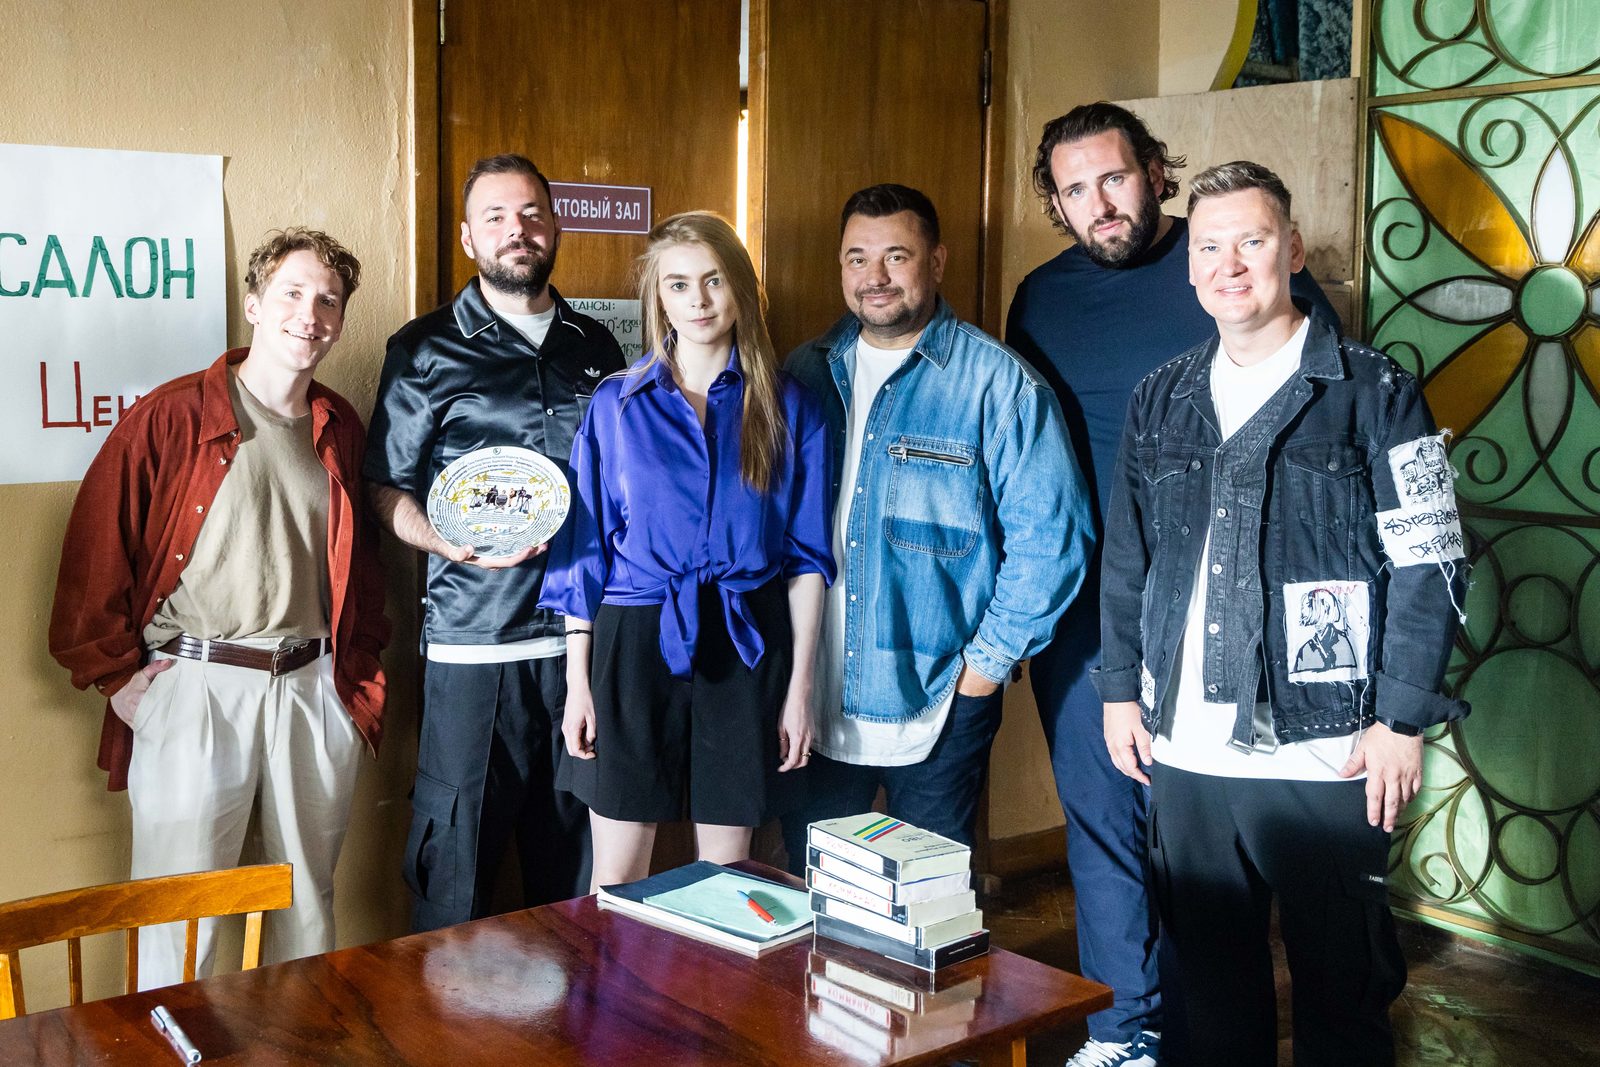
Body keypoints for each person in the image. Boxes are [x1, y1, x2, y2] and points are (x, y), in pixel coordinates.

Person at [1097, 161, 1470, 1066]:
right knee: (1209, 1000)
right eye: (1209, 247)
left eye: (1252, 241)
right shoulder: (1159, 396)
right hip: (1187, 747)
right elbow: (1128, 557)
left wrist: (1402, 718)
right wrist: (1117, 691)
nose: (1229, 265)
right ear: (1190, 266)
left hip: (1329, 748)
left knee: (1343, 995)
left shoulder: (1378, 390)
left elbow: (1433, 559)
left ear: (1292, 250)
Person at [1005, 101, 1340, 1067]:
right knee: (1102, 827)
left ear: (1155, 170)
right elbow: (1025, 456)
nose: (1100, 203)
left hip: (1220, 605)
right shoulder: (1040, 300)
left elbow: (1324, 418)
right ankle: (1124, 1032)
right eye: (1075, 189)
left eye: (1114, 177)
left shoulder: (1225, 261)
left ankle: (1200, 1035)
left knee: (1198, 843)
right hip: (1089, 609)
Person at [49, 228, 390, 987]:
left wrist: (355, 678)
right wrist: (120, 681)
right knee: (181, 917)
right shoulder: (173, 416)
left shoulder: (339, 425)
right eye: (292, 293)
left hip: (312, 687)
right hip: (197, 684)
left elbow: (362, 570)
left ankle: (296, 1041)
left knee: (305, 910)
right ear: (254, 304)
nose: (309, 314)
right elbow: (95, 554)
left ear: (340, 321)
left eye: (328, 301)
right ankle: (169, 1040)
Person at [780, 183, 1093, 872]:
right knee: (818, 896)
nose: (875, 276)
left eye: (897, 256)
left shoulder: (998, 384)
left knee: (927, 906)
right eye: (857, 258)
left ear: (938, 261)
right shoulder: (803, 374)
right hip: (810, 701)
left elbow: (1054, 541)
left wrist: (984, 669)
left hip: (940, 703)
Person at [365, 153, 625, 931]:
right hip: (474, 649)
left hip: (584, 649)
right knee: (454, 878)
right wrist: (447, 542)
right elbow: (384, 488)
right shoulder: (424, 348)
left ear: (555, 224)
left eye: (533, 213)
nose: (519, 230)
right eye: (497, 217)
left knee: (578, 883)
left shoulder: (596, 347)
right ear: (468, 237)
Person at [539, 211, 834, 886]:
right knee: (617, 876)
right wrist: (578, 683)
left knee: (728, 877)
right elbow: (584, 554)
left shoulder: (790, 406)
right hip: (632, 638)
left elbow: (807, 561)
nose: (698, 300)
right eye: (678, 284)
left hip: (745, 639)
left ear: (742, 289)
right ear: (659, 298)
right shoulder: (615, 404)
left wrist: (800, 691)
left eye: (714, 280)